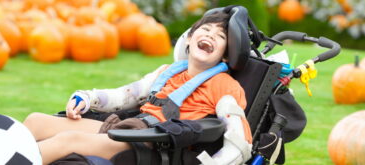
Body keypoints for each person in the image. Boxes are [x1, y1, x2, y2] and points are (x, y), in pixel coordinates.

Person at [23, 11, 252, 165]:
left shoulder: (225, 86)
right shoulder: (167, 72)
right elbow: (126, 95)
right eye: (206, 30)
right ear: (189, 39)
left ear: (225, 53)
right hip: (129, 129)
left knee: (69, 140)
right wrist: (87, 98)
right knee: (36, 121)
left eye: (220, 36)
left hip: (156, 147)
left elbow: (241, 140)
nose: (211, 36)